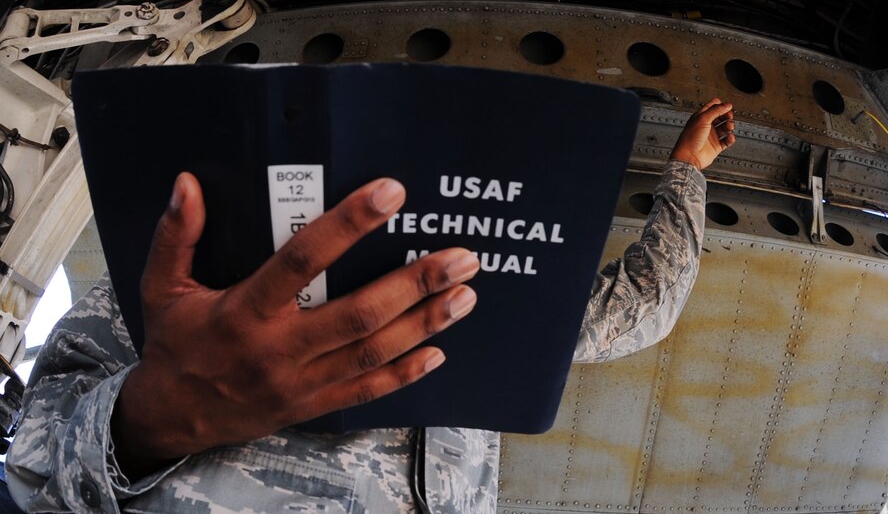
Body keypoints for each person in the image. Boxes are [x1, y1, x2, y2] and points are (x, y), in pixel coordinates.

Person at [6, 98, 735, 513]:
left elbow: (643, 302)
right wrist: (145, 422)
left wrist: (687, 173)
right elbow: (30, 472)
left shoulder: (468, 294)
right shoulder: (187, 294)